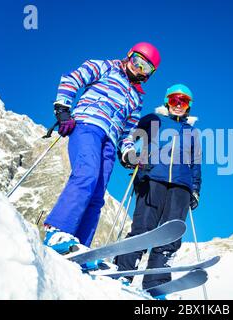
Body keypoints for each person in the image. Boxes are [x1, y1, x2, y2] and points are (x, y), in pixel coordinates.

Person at [42, 42, 161, 260]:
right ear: (129, 56)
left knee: (98, 194)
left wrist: (128, 153)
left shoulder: (137, 98)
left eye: (145, 67)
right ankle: (57, 232)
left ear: (149, 74)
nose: (138, 68)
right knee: (86, 174)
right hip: (88, 125)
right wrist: (63, 109)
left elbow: (128, 132)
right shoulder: (105, 67)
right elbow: (73, 78)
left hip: (110, 139)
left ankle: (79, 248)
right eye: (137, 61)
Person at [115, 84, 202, 290]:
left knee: (171, 234)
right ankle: (123, 273)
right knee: (143, 227)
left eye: (184, 101)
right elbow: (129, 136)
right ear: (167, 102)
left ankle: (156, 283)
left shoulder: (193, 132)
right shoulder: (153, 120)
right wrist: (130, 156)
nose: (178, 105)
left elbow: (196, 162)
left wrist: (196, 188)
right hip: (152, 176)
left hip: (181, 184)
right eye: (174, 100)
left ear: (189, 106)